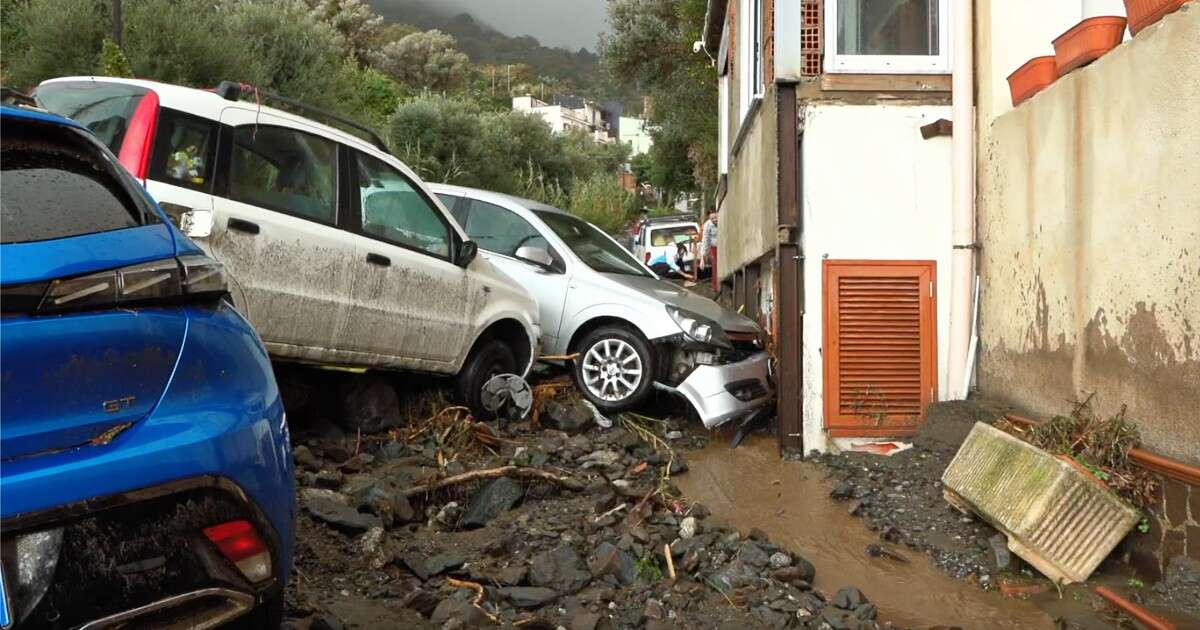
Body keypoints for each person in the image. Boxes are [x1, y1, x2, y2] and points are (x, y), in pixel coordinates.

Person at [701, 208, 719, 292]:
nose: (714, 220)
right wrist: (702, 259)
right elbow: (705, 241)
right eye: (712, 219)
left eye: (716, 218)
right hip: (714, 248)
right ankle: (716, 287)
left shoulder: (723, 220)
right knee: (715, 267)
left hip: (724, 246)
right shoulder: (707, 225)